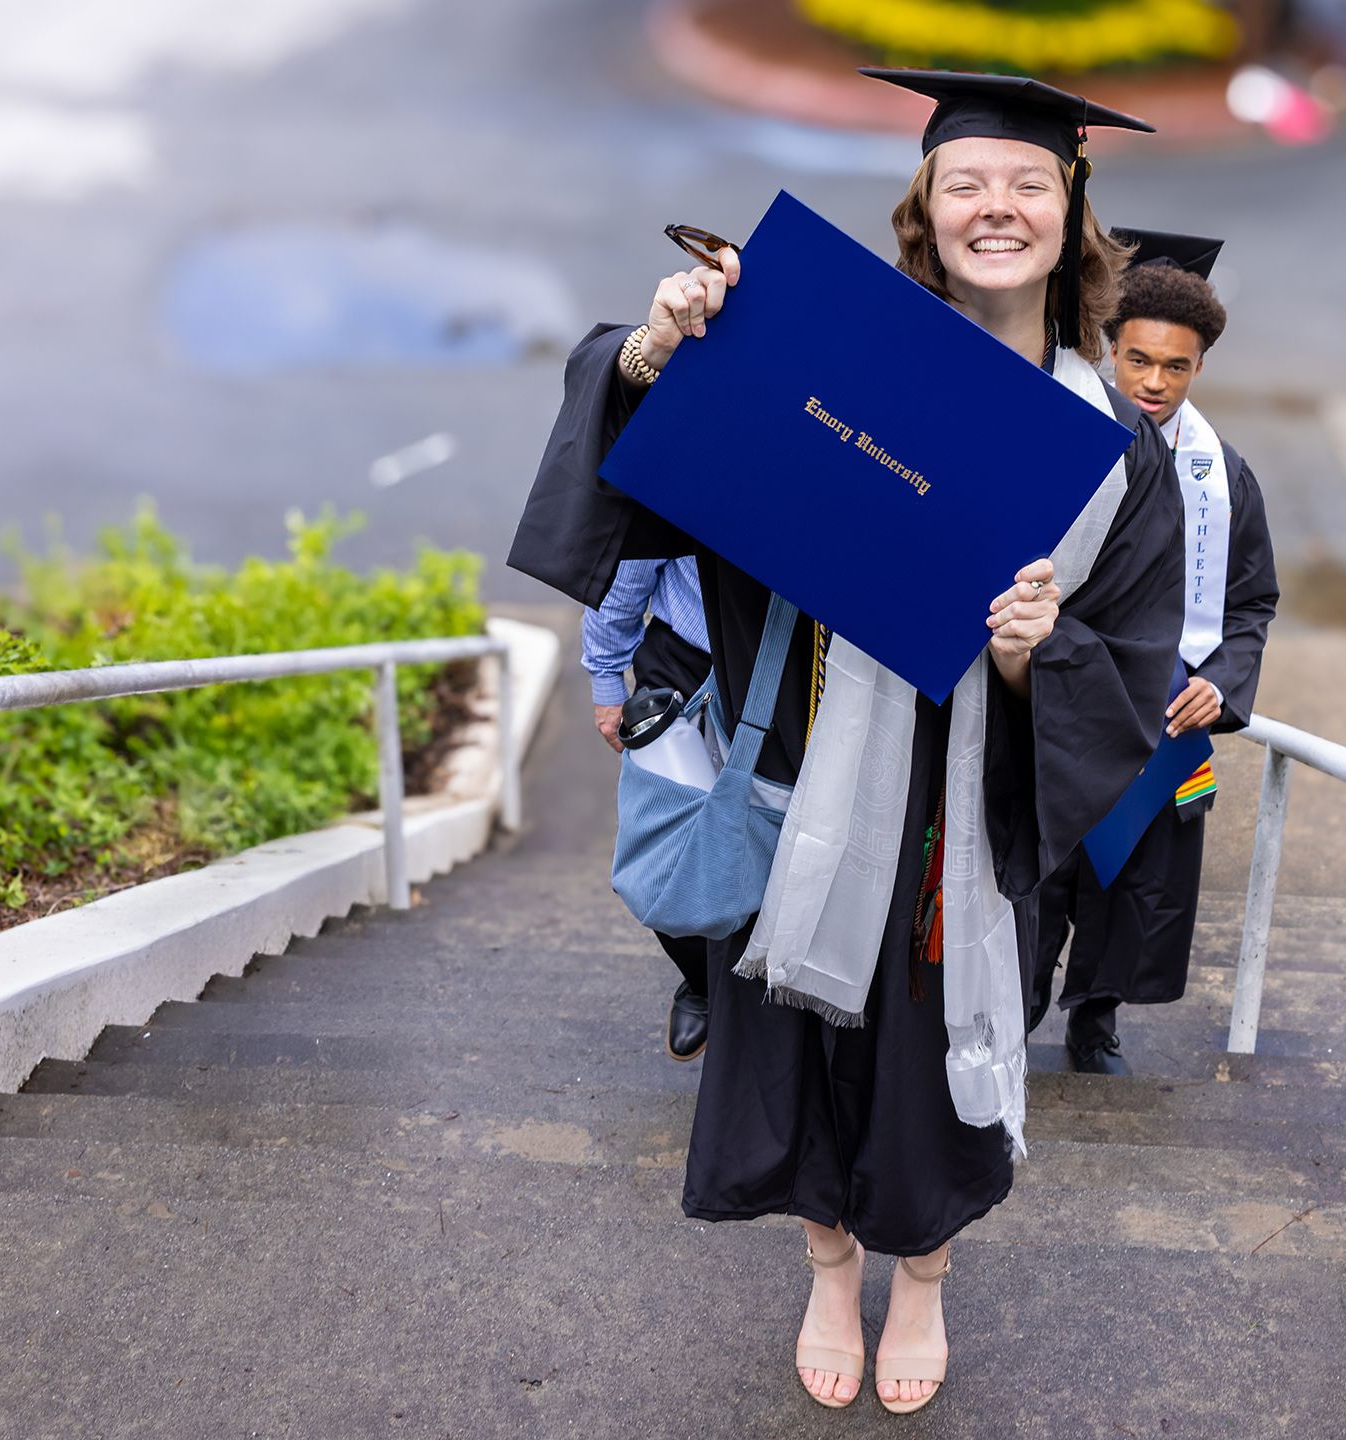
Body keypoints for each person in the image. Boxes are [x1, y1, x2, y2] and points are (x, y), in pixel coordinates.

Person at [507, 68, 1186, 1415]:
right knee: (793, 1055)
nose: (998, 205)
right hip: (801, 787)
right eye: (966, 181)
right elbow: (662, 457)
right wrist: (662, 348)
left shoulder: (1119, 450)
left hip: (971, 829)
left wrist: (1032, 655)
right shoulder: (829, 356)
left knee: (930, 1084)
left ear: (1074, 210)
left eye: (1029, 182)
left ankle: (920, 1279)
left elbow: (1136, 669)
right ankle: (828, 1270)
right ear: (925, 210)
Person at [1029, 232, 1279, 1075]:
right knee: (1041, 873)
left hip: (1165, 712)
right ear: (1108, 347)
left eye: (1176, 367)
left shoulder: (1224, 475)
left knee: (1135, 873)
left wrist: (1224, 681)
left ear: (1199, 367)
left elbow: (1251, 601)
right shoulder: (1066, 438)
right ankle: (1006, 1017)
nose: (1154, 384)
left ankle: (1094, 1022)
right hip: (1066, 692)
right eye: (1138, 361)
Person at [581, 555, 714, 1060]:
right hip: (685, 658)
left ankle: (758, 999)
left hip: (802, 666)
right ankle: (700, 975)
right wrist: (606, 675)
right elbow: (632, 554)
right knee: (664, 847)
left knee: (778, 842)